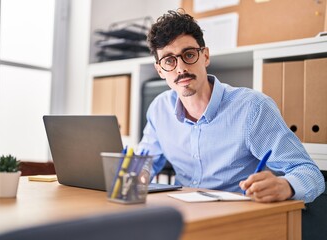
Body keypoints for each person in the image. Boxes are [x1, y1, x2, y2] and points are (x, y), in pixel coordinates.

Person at [138, 10, 325, 203]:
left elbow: (310, 173)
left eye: (189, 54)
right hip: (182, 214)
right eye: (169, 60)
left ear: (206, 56)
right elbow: (144, 162)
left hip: (236, 218)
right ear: (160, 70)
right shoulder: (160, 108)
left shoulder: (252, 108)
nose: (181, 68)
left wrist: (286, 186)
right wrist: (136, 176)